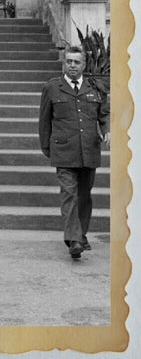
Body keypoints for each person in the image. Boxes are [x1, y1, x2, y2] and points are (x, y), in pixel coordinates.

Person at [38, 44, 110, 260]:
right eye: (68, 61)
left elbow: (104, 115)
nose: (72, 65)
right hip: (64, 151)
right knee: (69, 194)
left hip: (89, 149)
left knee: (84, 196)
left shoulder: (95, 88)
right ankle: (74, 240)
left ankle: (81, 234)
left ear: (84, 65)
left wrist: (107, 131)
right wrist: (48, 149)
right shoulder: (52, 88)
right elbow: (44, 122)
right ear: (64, 63)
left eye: (76, 62)